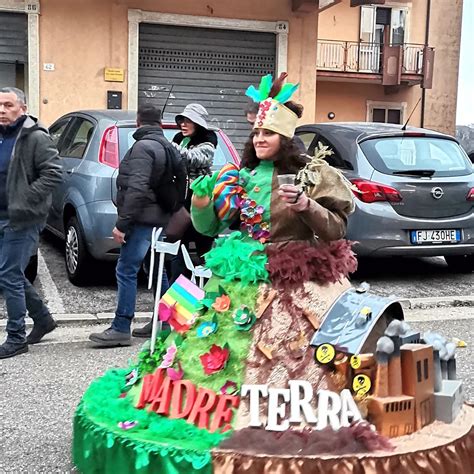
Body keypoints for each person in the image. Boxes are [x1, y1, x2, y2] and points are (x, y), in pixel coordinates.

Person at [189, 73, 357, 399]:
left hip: (298, 277)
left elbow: (336, 230)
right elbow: (210, 229)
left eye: (268, 133)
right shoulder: (241, 175)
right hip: (247, 272)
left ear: (287, 139)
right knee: (227, 348)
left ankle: (290, 404)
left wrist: (307, 205)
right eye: (256, 133)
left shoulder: (313, 174)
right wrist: (200, 201)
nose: (259, 139)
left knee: (297, 358)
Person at [89, 104, 185, 347]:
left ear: (139, 122)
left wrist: (122, 224)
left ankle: (121, 327)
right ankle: (164, 321)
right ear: (160, 123)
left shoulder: (143, 147)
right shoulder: (169, 146)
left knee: (126, 269)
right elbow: (182, 181)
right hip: (161, 218)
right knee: (156, 268)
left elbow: (137, 188)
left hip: (143, 220)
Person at [0, 87, 62, 359]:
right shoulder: (1, 137)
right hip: (2, 215)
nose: (2, 110)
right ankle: (43, 319)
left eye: (9, 105)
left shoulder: (35, 137)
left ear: (22, 109)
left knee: (8, 274)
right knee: (10, 272)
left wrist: (26, 198)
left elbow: (53, 174)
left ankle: (16, 336)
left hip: (24, 217)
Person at [167, 103, 217, 284]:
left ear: (198, 124)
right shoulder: (179, 139)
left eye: (188, 121)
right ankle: (178, 302)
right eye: (182, 120)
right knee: (178, 255)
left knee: (205, 255)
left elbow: (193, 158)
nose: (183, 124)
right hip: (181, 208)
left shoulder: (209, 141)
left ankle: (206, 299)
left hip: (201, 207)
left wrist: (169, 146)